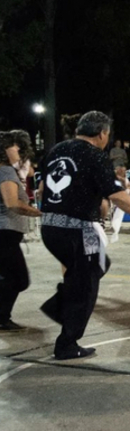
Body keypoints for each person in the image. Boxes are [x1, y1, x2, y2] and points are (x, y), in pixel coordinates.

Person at [38, 111, 130, 360]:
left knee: (95, 267)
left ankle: (60, 306)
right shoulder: (95, 155)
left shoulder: (56, 150)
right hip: (78, 230)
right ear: (103, 133)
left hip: (49, 228)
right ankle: (67, 342)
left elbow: (41, 188)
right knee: (87, 283)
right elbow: (117, 195)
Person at [0, 130, 42, 331]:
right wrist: (39, 213)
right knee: (19, 279)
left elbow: (30, 172)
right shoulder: (5, 171)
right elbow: (11, 203)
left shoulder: (8, 170)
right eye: (15, 147)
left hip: (7, 233)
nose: (19, 151)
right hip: (4, 232)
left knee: (10, 277)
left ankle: (2, 317)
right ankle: (1, 318)